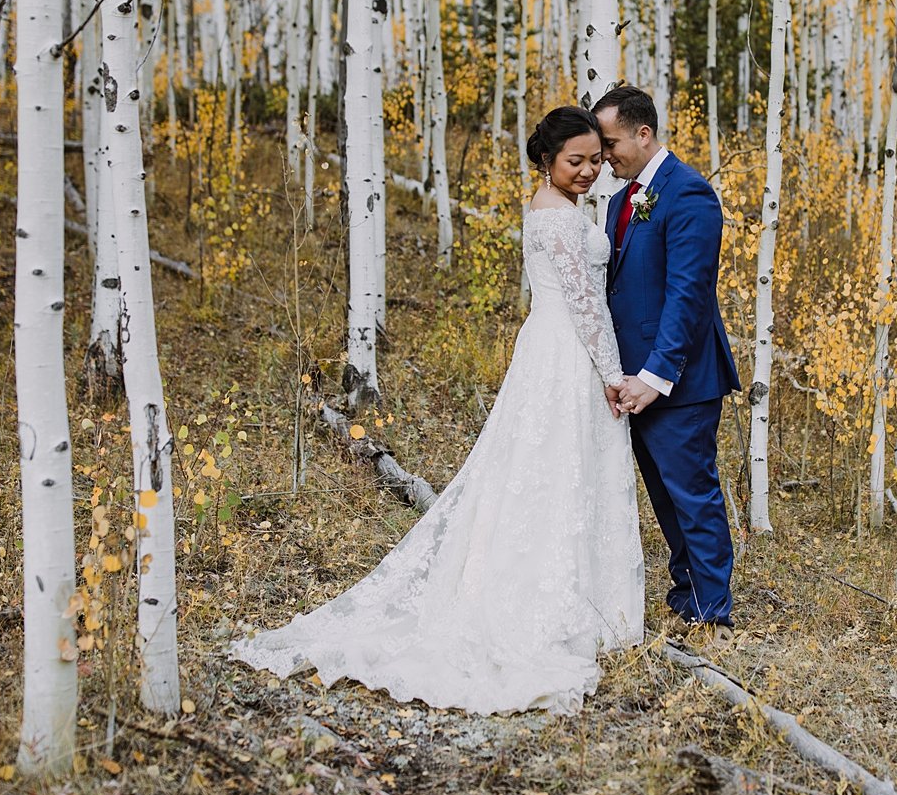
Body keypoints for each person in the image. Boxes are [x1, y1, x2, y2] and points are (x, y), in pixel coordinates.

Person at [232, 106, 644, 715]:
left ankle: (562, 587)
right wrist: (615, 375)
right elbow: (586, 307)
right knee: (555, 465)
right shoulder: (559, 221)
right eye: (574, 161)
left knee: (546, 467)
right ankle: (545, 600)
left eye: (592, 159)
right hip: (568, 352)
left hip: (554, 348)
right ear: (546, 162)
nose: (587, 171)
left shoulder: (554, 206)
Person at [593, 85, 741, 642]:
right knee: (663, 493)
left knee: (692, 493)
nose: (605, 155)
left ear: (643, 133)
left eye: (610, 144)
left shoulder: (690, 195)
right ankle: (687, 593)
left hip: (679, 378)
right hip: (633, 379)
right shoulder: (622, 200)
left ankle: (713, 609)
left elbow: (689, 294)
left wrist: (655, 377)